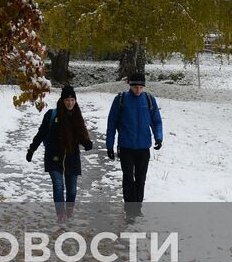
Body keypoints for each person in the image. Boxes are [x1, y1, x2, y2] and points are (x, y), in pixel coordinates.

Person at [26, 85, 94, 223]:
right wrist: (32, 149)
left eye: (72, 100)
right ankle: (60, 214)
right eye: (67, 99)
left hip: (71, 157)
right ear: (62, 100)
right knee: (58, 186)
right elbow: (41, 133)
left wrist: (87, 142)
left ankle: (69, 210)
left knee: (72, 191)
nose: (70, 102)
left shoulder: (77, 117)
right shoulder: (52, 115)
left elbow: (81, 134)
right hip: (53, 156)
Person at [106, 72, 163, 220]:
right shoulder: (121, 100)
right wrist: (109, 145)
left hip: (144, 147)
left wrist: (158, 137)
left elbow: (156, 121)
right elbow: (111, 123)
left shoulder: (149, 100)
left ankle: (137, 208)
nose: (138, 90)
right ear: (130, 86)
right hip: (126, 147)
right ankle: (130, 210)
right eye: (135, 87)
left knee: (140, 178)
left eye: (140, 87)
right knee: (128, 178)